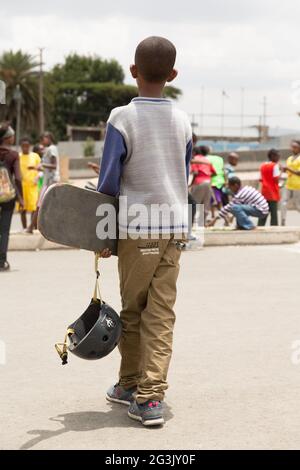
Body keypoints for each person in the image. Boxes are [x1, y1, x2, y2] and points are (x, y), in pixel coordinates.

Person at [97, 36, 192, 426]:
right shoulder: (183, 120)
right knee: (162, 313)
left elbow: (108, 184)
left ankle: (132, 385)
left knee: (133, 311)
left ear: (133, 71)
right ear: (172, 75)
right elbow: (181, 174)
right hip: (174, 230)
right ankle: (149, 398)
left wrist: (102, 236)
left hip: (136, 230)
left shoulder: (121, 118)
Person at [0, 123, 23, 271]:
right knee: (4, 230)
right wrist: (21, 198)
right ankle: (2, 261)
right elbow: (19, 179)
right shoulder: (13, 155)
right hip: (8, 197)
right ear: (7, 138)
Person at [26, 131, 59, 233]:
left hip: (50, 181)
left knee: (40, 204)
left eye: (43, 139)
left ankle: (31, 227)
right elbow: (47, 168)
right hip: (48, 180)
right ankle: (33, 227)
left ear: (48, 138)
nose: (41, 142)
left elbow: (54, 166)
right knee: (44, 205)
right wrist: (36, 168)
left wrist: (42, 166)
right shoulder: (49, 149)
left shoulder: (52, 149)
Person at [18, 137, 41, 230]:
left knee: (34, 209)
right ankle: (24, 228)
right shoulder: (18, 156)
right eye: (23, 146)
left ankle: (32, 228)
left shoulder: (35, 156)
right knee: (22, 209)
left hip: (33, 186)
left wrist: (37, 177)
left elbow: (41, 169)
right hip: (22, 187)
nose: (25, 148)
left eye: (27, 146)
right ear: (21, 146)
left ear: (30, 146)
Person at [190, 146, 216, 224]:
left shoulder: (195, 159)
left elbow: (195, 172)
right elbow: (214, 173)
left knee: (194, 202)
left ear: (194, 152)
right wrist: (207, 176)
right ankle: (202, 222)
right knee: (205, 203)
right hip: (208, 181)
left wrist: (191, 184)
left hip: (199, 182)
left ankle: (192, 222)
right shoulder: (206, 160)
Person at [258, 149, 281, 227]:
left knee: (263, 212)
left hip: (264, 192)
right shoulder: (275, 166)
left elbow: (261, 179)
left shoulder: (262, 165)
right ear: (272, 156)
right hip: (273, 193)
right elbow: (276, 179)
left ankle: (260, 226)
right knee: (274, 215)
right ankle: (274, 229)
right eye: (277, 156)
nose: (279, 158)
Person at [281, 140, 300, 226]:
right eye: (292, 147)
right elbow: (288, 172)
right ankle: (283, 220)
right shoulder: (289, 159)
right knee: (284, 203)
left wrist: (288, 168)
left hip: (298, 185)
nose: (293, 149)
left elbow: (299, 173)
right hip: (288, 184)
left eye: (295, 147)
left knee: (297, 205)